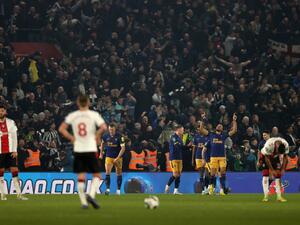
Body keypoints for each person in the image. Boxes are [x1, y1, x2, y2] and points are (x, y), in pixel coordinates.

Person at [59, 94, 107, 209]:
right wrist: (97, 135)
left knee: (81, 176)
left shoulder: (73, 115)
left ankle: (84, 203)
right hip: (90, 147)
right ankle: (91, 195)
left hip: (79, 148)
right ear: (88, 103)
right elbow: (104, 127)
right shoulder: (93, 114)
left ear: (78, 103)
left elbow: (61, 129)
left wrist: (72, 138)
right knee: (97, 175)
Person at [199, 113, 237, 195]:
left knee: (222, 172)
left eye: (221, 126)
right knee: (212, 174)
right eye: (218, 125)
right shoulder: (211, 134)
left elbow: (234, 130)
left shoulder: (224, 135)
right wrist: (202, 120)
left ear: (222, 128)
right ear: (216, 128)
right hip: (213, 157)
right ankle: (211, 188)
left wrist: (234, 120)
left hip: (222, 157)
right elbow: (201, 129)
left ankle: (222, 190)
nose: (219, 126)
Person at [0, 104, 28, 201]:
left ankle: (19, 195)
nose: (1, 112)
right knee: (1, 174)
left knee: (15, 172)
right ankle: (2, 195)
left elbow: (14, 137)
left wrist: (15, 150)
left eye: (2, 110)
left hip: (10, 151)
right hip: (0, 152)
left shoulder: (11, 122)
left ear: (5, 112)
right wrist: (5, 134)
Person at [100, 123, 126, 195]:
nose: (111, 131)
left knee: (118, 173)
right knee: (107, 172)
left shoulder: (120, 136)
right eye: (110, 129)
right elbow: (102, 144)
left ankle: (118, 190)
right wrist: (101, 153)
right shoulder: (105, 136)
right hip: (109, 157)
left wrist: (117, 158)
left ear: (115, 129)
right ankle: (108, 189)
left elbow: (123, 148)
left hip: (118, 158)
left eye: (112, 129)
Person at [260, 137, 289, 202]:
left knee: (278, 175)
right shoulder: (269, 145)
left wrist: (283, 169)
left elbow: (285, 157)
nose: (279, 153)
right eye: (278, 152)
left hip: (275, 157)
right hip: (265, 155)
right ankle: (265, 197)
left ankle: (279, 197)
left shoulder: (286, 144)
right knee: (265, 174)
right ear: (276, 146)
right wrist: (272, 170)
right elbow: (267, 159)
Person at [165, 124, 184, 195]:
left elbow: (180, 146)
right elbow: (177, 145)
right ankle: (167, 186)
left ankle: (176, 190)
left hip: (179, 157)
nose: (183, 131)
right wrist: (183, 146)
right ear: (178, 130)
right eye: (182, 130)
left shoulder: (180, 138)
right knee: (175, 174)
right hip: (173, 158)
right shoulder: (173, 137)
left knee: (179, 174)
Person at [191, 123, 208, 192]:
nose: (199, 130)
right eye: (198, 129)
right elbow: (194, 149)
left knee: (207, 173)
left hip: (206, 156)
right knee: (201, 173)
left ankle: (207, 187)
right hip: (198, 157)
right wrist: (192, 159)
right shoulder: (196, 137)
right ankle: (203, 189)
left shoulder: (207, 136)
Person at [257, 131, 272, 199]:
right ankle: (266, 194)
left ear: (269, 135)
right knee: (265, 177)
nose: (264, 136)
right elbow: (259, 152)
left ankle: (268, 189)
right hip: (264, 162)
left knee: (272, 177)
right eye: (263, 135)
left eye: (265, 135)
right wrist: (258, 161)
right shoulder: (261, 143)